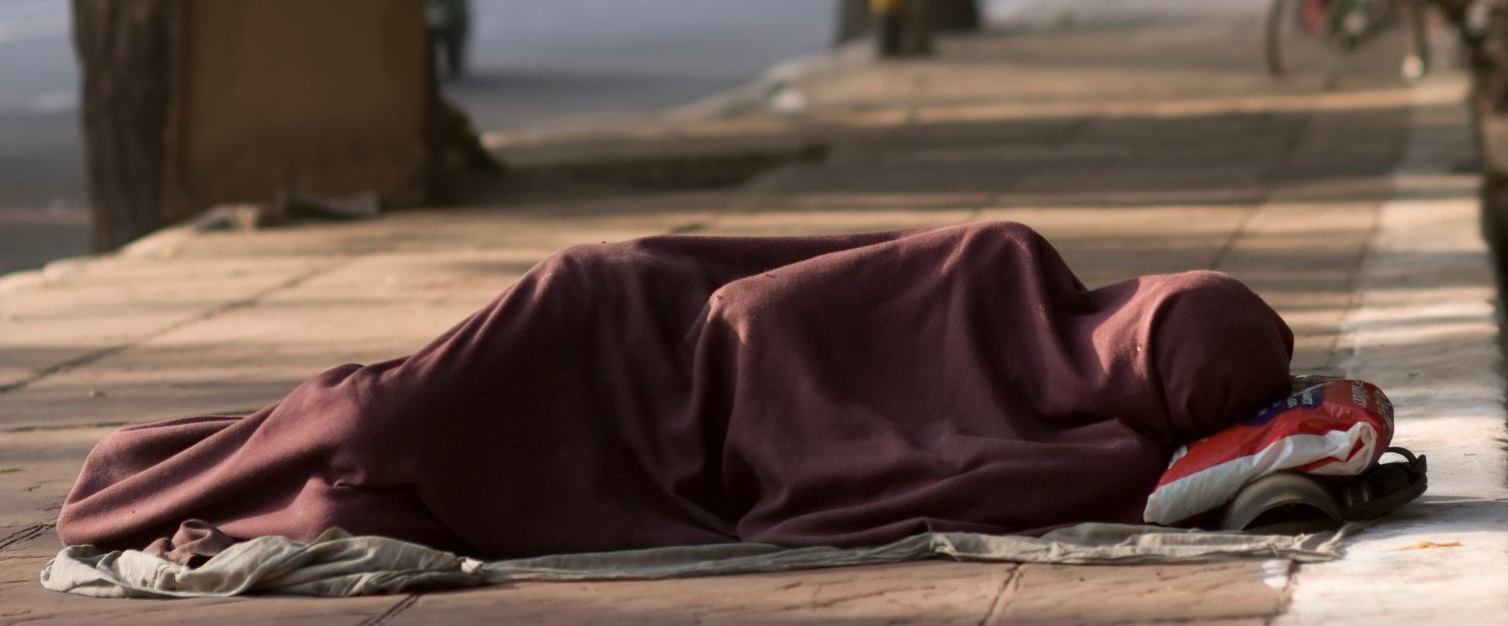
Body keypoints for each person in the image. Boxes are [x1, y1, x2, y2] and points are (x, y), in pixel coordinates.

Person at [57, 222, 1296, 560]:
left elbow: (853, 488)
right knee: (373, 415)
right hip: (615, 325)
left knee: (372, 480)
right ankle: (135, 473)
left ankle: (179, 475)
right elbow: (770, 298)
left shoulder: (1082, 453)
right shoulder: (1004, 267)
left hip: (664, 436)